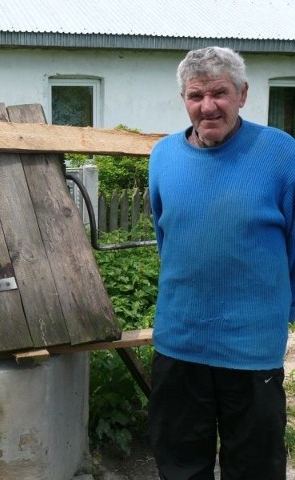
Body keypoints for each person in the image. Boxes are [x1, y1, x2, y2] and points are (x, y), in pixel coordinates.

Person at [148, 46, 295, 479]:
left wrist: (279, 316)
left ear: (243, 94)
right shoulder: (163, 156)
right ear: (184, 100)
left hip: (250, 345)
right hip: (179, 338)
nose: (208, 106)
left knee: (254, 465)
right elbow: (166, 237)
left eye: (220, 93)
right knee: (178, 461)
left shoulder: (282, 154)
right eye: (196, 96)